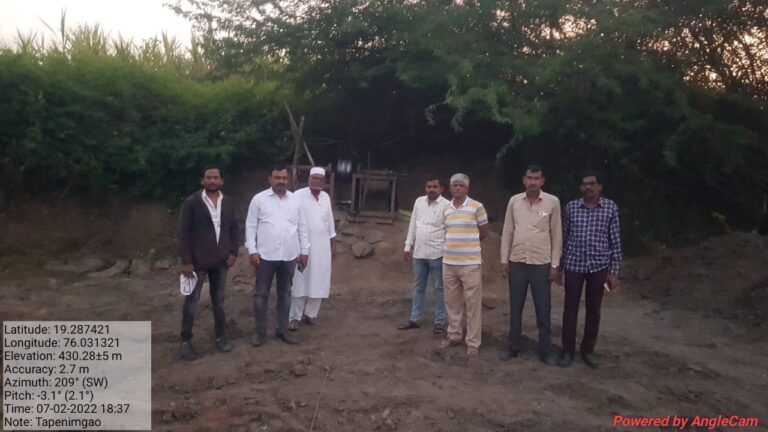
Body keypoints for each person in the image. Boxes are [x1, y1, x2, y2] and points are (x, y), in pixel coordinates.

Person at [559, 171, 623, 368]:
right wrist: (559, 267)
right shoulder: (571, 208)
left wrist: (614, 272)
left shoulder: (610, 208)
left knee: (594, 309)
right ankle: (567, 351)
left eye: (592, 183)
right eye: (584, 184)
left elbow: (615, 241)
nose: (588, 187)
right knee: (570, 308)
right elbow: (564, 238)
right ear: (581, 187)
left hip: (599, 267)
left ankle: (587, 351)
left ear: (599, 187)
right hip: (574, 265)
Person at [500, 165, 562, 366]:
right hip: (517, 262)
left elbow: (556, 235)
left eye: (537, 178)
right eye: (530, 178)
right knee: (515, 307)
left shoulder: (552, 202)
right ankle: (513, 347)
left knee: (543, 309)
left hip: (541, 263)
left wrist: (555, 265)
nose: (533, 182)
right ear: (524, 180)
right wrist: (504, 260)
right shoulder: (514, 201)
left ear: (542, 181)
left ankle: (545, 350)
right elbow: (508, 231)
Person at [177, 167, 239, 361]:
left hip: (221, 261)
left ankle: (221, 337)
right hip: (197, 262)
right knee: (192, 301)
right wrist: (186, 260)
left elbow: (234, 228)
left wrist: (234, 252)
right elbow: (184, 232)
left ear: (221, 181)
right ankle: (185, 341)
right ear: (202, 181)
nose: (212, 180)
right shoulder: (192, 203)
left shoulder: (228, 202)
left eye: (216, 177)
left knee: (218, 301)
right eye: (209, 177)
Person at [245, 166, 310, 346]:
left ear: (288, 180)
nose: (281, 181)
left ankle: (282, 330)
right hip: (265, 256)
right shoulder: (259, 199)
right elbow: (250, 226)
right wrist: (252, 250)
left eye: (284, 178)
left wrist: (304, 251)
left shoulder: (296, 201)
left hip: (289, 255)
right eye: (277, 177)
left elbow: (302, 227)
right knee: (261, 294)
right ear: (269, 179)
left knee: (285, 293)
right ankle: (260, 332)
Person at [440, 173, 489, 356]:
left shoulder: (476, 207)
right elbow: (445, 230)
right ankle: (454, 335)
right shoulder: (445, 208)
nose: (457, 188)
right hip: (449, 262)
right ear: (450, 187)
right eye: (454, 185)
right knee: (452, 302)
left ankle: (473, 342)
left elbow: (484, 231)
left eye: (461, 185)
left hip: (470, 263)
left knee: (473, 303)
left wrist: (468, 244)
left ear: (467, 188)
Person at [288, 167, 336, 331]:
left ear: (324, 182)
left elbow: (329, 222)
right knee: (300, 281)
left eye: (319, 179)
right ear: (309, 179)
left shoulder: (325, 197)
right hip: (303, 247)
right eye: (313, 178)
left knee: (319, 281)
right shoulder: (297, 196)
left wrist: (332, 243)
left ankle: (310, 315)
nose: (316, 181)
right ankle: (294, 317)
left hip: (322, 247)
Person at [398, 178, 449, 334]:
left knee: (439, 288)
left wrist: (447, 251)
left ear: (441, 189)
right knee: (418, 287)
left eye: (435, 187)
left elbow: (449, 230)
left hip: (438, 253)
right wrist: (407, 246)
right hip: (419, 253)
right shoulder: (419, 202)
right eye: (428, 186)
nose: (431, 189)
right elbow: (413, 224)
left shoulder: (447, 205)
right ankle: (414, 319)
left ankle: (439, 322)